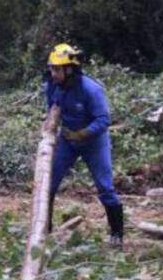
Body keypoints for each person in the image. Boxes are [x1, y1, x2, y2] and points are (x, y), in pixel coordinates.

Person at [44, 43, 125, 247]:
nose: (53, 73)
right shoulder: (52, 86)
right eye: (51, 68)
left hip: (94, 142)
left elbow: (104, 120)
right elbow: (52, 110)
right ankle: (44, 226)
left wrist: (83, 133)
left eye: (57, 69)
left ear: (69, 69)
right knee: (49, 183)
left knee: (105, 187)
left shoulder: (91, 90)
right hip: (67, 140)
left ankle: (116, 233)